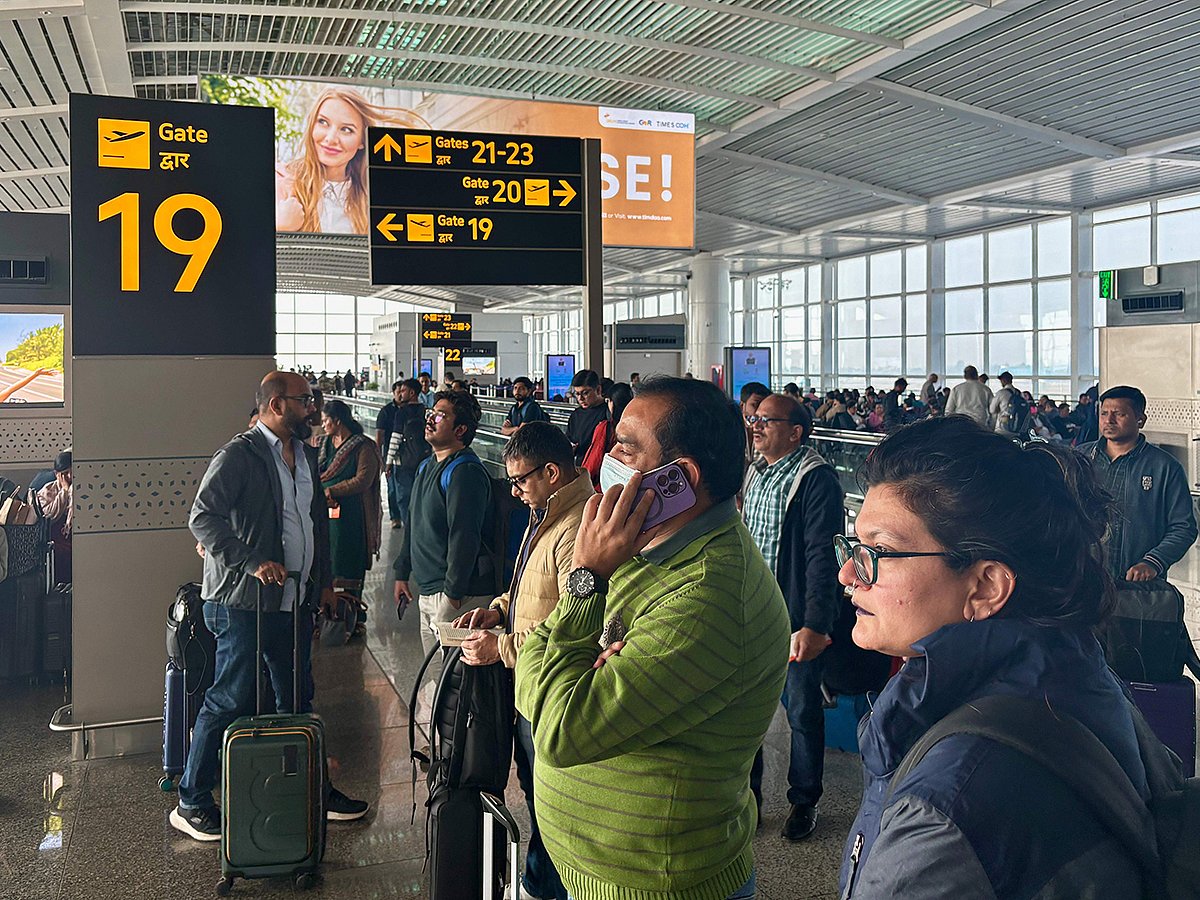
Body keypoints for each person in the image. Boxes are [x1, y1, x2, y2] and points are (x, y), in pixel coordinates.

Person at [837, 415, 1147, 898]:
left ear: (986, 586)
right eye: (855, 546)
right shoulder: (1074, 673)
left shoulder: (947, 809)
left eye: (879, 550)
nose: (849, 575)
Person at [516, 377, 790, 900]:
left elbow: (556, 729)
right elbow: (537, 660)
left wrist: (585, 581)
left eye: (627, 446)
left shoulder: (707, 596)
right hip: (605, 872)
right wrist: (570, 664)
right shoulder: (643, 548)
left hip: (657, 884)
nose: (607, 458)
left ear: (678, 479)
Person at [173, 372, 367, 841]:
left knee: (297, 696)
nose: (315, 408)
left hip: (294, 600)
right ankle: (191, 800)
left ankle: (311, 788)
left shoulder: (305, 454)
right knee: (231, 697)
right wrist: (251, 561)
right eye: (306, 401)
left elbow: (314, 520)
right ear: (278, 405)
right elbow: (202, 517)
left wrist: (321, 583)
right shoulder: (239, 455)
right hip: (243, 603)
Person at [453, 423, 593, 900]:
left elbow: (574, 621)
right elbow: (535, 585)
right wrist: (500, 607)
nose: (513, 491)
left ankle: (548, 886)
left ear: (551, 472)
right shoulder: (548, 512)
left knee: (549, 798)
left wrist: (503, 647)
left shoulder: (575, 528)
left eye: (520, 480)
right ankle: (541, 879)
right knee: (536, 791)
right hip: (530, 681)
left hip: (551, 688)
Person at [742, 395, 844, 842]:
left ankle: (804, 801)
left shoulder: (815, 479)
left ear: (796, 432)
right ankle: (748, 799)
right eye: (754, 419)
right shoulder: (757, 471)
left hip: (793, 618)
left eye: (766, 421)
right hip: (751, 615)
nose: (756, 427)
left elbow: (822, 555)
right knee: (744, 714)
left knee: (802, 711)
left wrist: (817, 623)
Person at [392, 390, 495, 655]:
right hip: (428, 590)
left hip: (458, 595)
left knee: (458, 680)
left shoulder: (465, 471)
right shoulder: (426, 466)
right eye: (431, 413)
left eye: (440, 415)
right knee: (436, 675)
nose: (430, 419)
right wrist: (402, 572)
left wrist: (453, 595)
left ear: (460, 429)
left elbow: (465, 537)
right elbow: (413, 523)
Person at [1078, 385, 1197, 583]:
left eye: (1119, 414)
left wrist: (1153, 562)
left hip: (1136, 585)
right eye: (1104, 413)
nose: (1109, 420)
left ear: (1140, 420)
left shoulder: (1164, 467)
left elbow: (1183, 527)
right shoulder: (1080, 459)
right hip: (1082, 578)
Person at [318, 399, 382, 587]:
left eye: (325, 420)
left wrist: (331, 490)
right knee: (327, 554)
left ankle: (350, 605)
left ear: (337, 420)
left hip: (353, 514)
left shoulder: (363, 446)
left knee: (348, 557)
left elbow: (363, 479)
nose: (322, 425)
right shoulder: (323, 444)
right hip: (325, 511)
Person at [384, 379, 428, 527]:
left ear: (412, 393)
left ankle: (409, 528)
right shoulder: (425, 410)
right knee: (422, 496)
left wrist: (388, 461)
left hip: (402, 462)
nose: (400, 394)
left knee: (404, 498)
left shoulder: (401, 413)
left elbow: (395, 438)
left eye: (403, 391)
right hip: (423, 460)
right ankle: (420, 527)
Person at [375, 380, 407, 526]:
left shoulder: (410, 410)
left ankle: (408, 516)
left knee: (405, 488)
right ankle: (395, 517)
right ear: (393, 393)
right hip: (390, 454)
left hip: (408, 455)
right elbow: (379, 435)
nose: (401, 395)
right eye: (398, 392)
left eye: (403, 391)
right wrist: (379, 456)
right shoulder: (386, 411)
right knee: (393, 487)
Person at [565, 369, 608, 466]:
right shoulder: (576, 415)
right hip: (581, 466)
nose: (580, 399)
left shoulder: (607, 413)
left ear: (598, 390)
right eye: (577, 394)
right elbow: (569, 439)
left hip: (600, 468)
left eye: (585, 393)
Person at [739, 381, 771, 461]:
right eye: (755, 405)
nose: (759, 411)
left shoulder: (769, 431)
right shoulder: (731, 430)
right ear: (742, 406)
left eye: (763, 406)